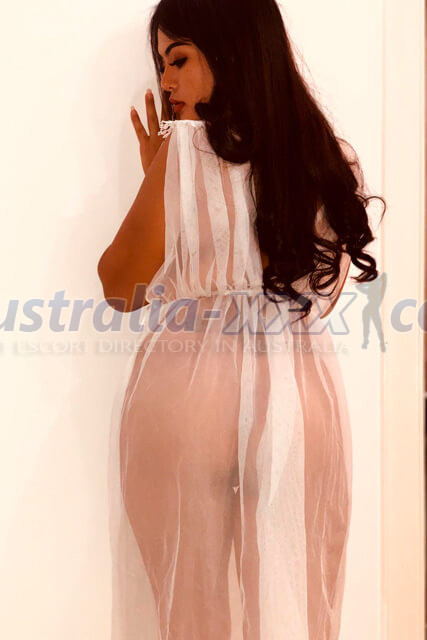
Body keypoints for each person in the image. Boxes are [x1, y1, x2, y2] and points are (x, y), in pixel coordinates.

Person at [97, 1, 385, 638]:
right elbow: (322, 292)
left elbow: (120, 288)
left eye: (178, 59)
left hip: (187, 396)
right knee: (297, 600)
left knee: (186, 606)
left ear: (231, 53)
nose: (165, 81)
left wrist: (162, 180)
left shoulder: (181, 159)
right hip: (300, 396)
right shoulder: (328, 160)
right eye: (161, 64)